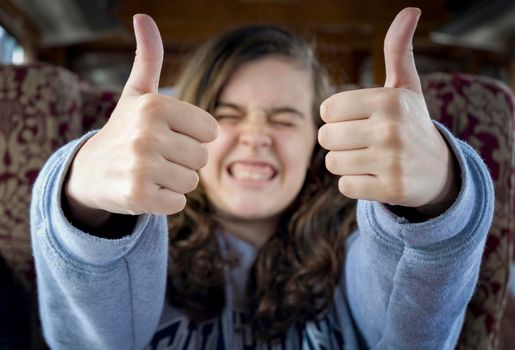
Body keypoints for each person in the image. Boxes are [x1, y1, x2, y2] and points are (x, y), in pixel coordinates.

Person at [30, 7, 494, 350]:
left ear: (317, 139)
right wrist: (84, 199)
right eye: (228, 114)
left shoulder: (356, 243)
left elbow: (411, 331)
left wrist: (436, 200)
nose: (255, 136)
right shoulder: (143, 247)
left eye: (285, 119)